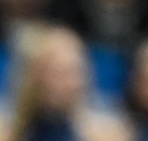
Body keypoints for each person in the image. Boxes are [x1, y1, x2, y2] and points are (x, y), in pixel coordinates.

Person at [0, 26, 128, 141]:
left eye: (76, 72)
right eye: (59, 72)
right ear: (34, 77)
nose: (72, 83)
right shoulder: (6, 132)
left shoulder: (109, 132)